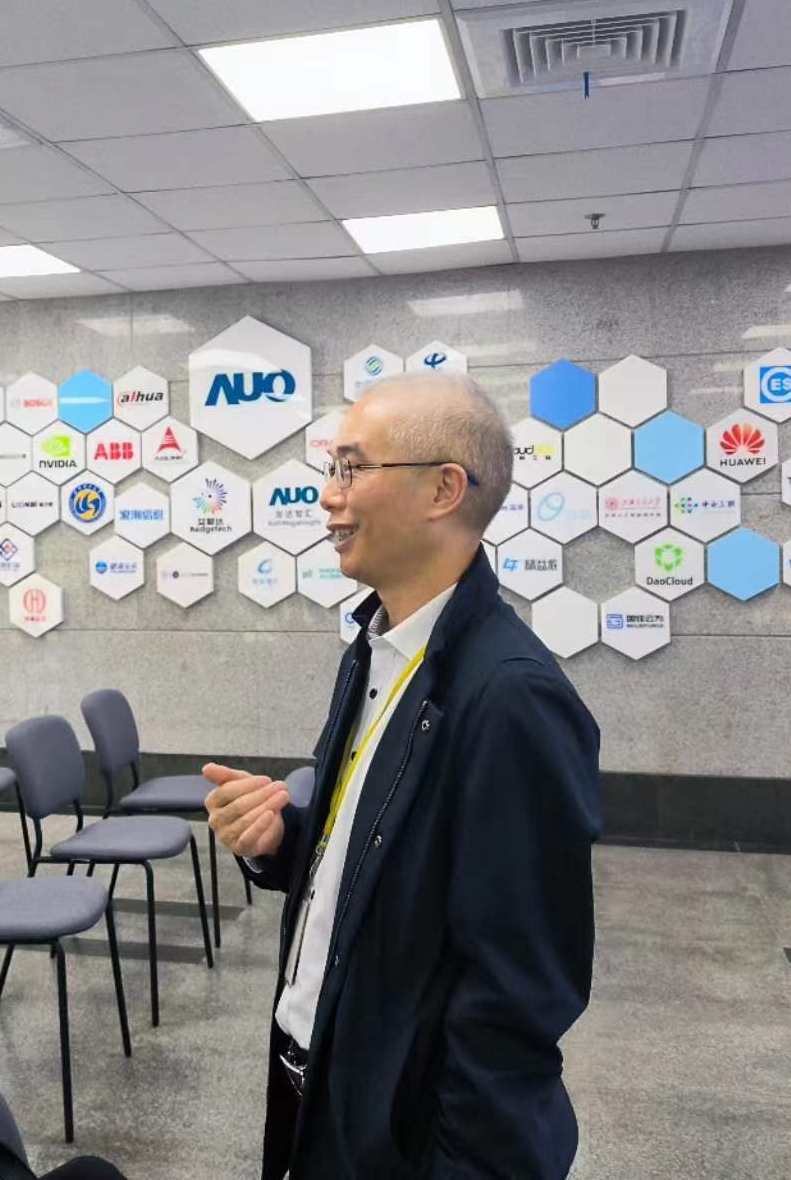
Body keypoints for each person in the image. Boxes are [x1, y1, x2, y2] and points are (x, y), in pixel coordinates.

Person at [204, 372, 602, 1180]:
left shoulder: (511, 699)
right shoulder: (377, 648)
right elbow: (381, 854)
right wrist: (282, 842)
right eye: (331, 469)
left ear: (443, 490)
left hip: (409, 1134)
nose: (328, 496)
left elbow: (519, 993)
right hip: (325, 1078)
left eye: (352, 468)